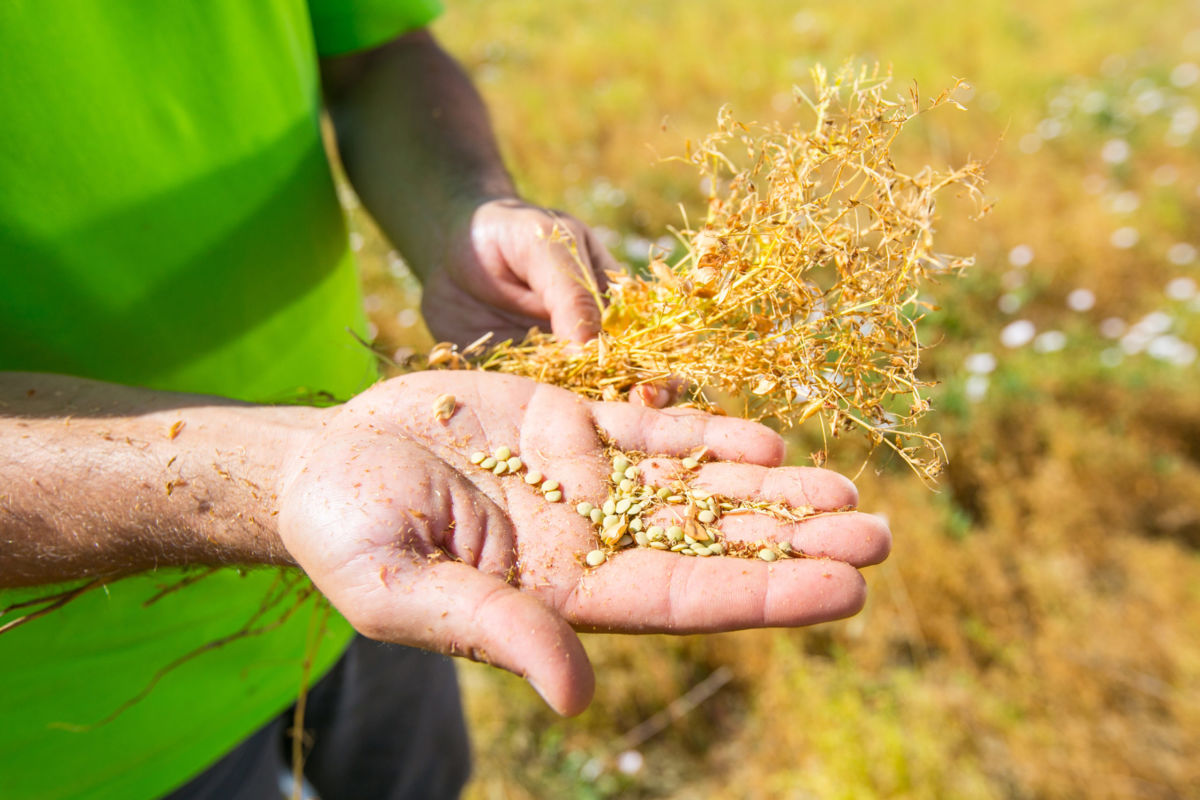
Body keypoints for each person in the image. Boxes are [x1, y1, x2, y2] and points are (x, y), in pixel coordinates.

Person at [0, 2, 892, 798]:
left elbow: (375, 52)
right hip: (85, 729)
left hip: (416, 518)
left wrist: (462, 212)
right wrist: (272, 479)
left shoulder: (430, 496)